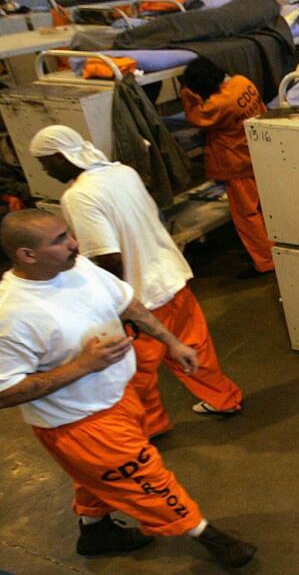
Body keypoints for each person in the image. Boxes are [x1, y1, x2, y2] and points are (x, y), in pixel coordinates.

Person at [0, 209, 256, 567]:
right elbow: (5, 392)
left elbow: (127, 304)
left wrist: (171, 342)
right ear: (27, 255)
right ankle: (208, 536)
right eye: (59, 240)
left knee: (96, 477)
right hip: (80, 424)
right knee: (147, 479)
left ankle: (95, 531)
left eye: (68, 233)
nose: (73, 243)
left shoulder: (76, 268)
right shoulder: (12, 314)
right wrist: (83, 365)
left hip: (118, 397)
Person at [30, 125, 244, 438]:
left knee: (137, 370)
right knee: (193, 347)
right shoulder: (123, 172)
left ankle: (151, 427)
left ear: (63, 156)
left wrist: (109, 305)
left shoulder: (79, 196)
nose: (45, 170)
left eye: (46, 161)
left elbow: (108, 257)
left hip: (139, 294)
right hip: (171, 277)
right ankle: (224, 400)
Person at [179, 58, 274, 277]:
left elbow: (196, 118)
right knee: (265, 209)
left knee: (247, 215)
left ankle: (266, 261)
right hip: (257, 153)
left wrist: (187, 94)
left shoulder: (217, 105)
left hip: (238, 163)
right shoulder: (243, 82)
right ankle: (271, 251)